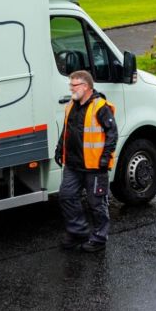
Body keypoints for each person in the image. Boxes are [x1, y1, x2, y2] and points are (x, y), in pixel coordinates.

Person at [55, 69, 118, 252]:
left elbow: (111, 134)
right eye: (70, 84)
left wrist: (105, 158)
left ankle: (99, 238)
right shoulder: (71, 106)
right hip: (73, 164)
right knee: (66, 196)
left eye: (73, 85)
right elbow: (66, 131)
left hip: (94, 166)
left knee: (97, 203)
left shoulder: (100, 107)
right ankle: (78, 232)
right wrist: (60, 149)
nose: (70, 88)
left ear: (85, 87)